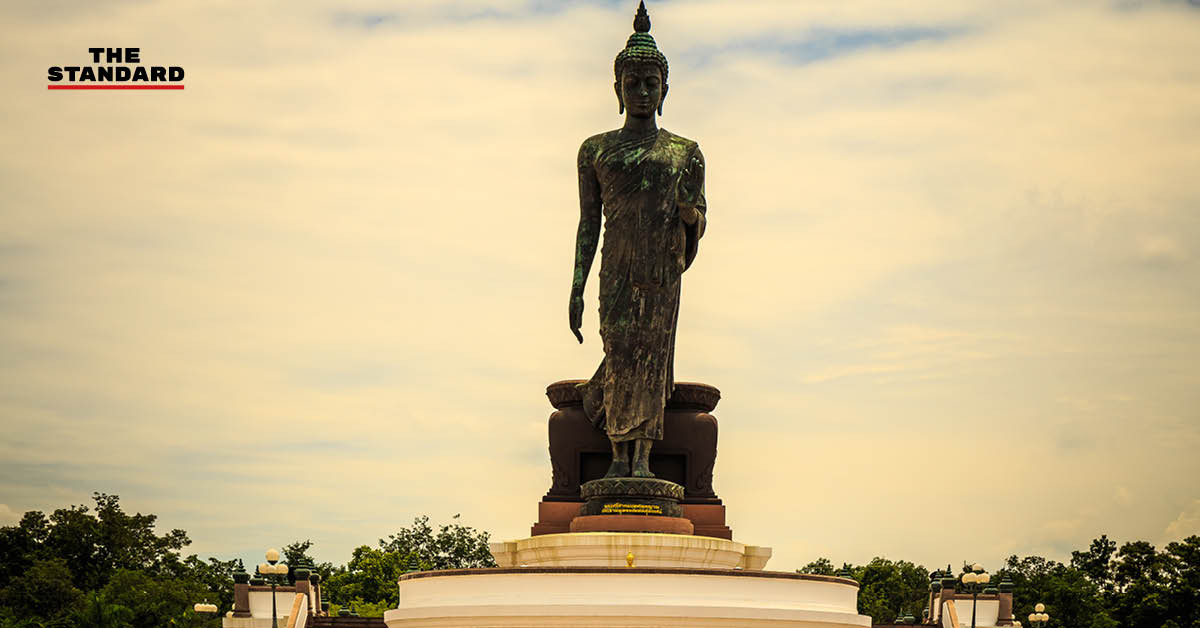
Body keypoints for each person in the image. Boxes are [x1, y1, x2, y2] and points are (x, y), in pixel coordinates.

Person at [568, 1, 707, 479]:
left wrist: (690, 215)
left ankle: (642, 459)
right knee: (621, 351)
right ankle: (615, 459)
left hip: (660, 270)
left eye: (652, 83)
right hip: (618, 266)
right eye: (633, 83)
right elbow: (589, 223)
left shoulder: (684, 152)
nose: (643, 91)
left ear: (666, 88)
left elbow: (698, 216)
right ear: (617, 87)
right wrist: (576, 287)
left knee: (650, 359)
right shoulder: (596, 149)